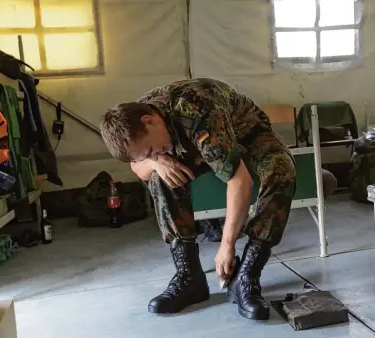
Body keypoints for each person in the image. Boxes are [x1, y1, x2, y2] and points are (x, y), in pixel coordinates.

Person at [100, 78, 296, 321]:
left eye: (151, 150)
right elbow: (137, 167)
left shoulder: (198, 110)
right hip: (196, 144)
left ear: (149, 121)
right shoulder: (137, 117)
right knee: (160, 176)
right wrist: (156, 161)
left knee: (282, 169)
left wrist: (226, 245)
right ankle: (189, 277)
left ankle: (247, 274)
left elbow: (239, 181)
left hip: (247, 134)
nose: (154, 154)